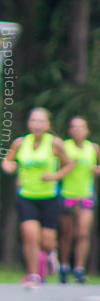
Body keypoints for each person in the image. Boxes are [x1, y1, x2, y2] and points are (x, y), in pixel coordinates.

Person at [1, 108, 74, 289]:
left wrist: (55, 176)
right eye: (34, 121)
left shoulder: (55, 143)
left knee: (46, 241)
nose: (37, 125)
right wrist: (9, 166)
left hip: (49, 197)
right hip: (27, 195)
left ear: (48, 125)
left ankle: (50, 254)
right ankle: (33, 274)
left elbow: (69, 164)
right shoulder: (20, 143)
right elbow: (7, 160)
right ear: (29, 123)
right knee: (29, 234)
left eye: (41, 122)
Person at [58, 116, 99, 284]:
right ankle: (64, 266)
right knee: (67, 234)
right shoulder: (64, 147)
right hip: (68, 195)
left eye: (81, 127)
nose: (77, 130)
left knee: (83, 233)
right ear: (69, 130)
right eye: (74, 127)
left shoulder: (93, 148)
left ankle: (79, 269)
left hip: (86, 196)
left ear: (87, 130)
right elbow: (56, 165)